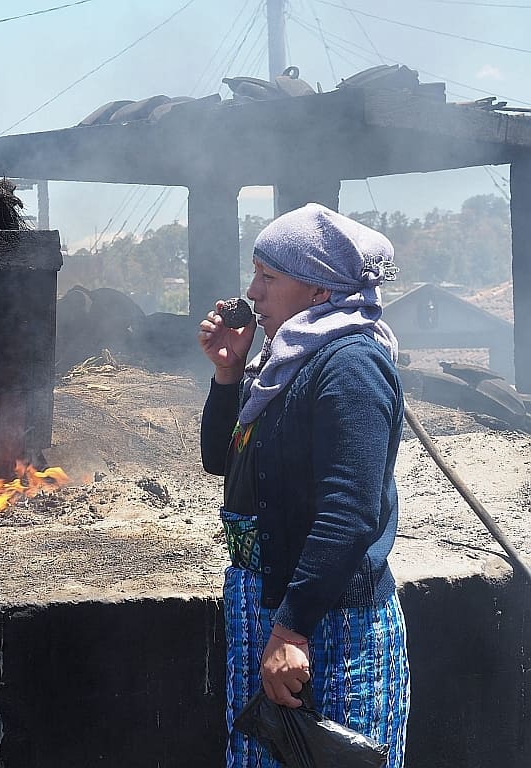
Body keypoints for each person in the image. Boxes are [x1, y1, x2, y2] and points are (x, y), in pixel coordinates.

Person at [197, 203, 410, 768]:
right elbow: (226, 464)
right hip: (272, 606)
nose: (254, 293)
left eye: (269, 277)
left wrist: (293, 630)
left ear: (320, 292)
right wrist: (227, 375)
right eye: (255, 274)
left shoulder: (349, 365)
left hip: (329, 625)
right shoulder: (285, 362)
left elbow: (349, 510)